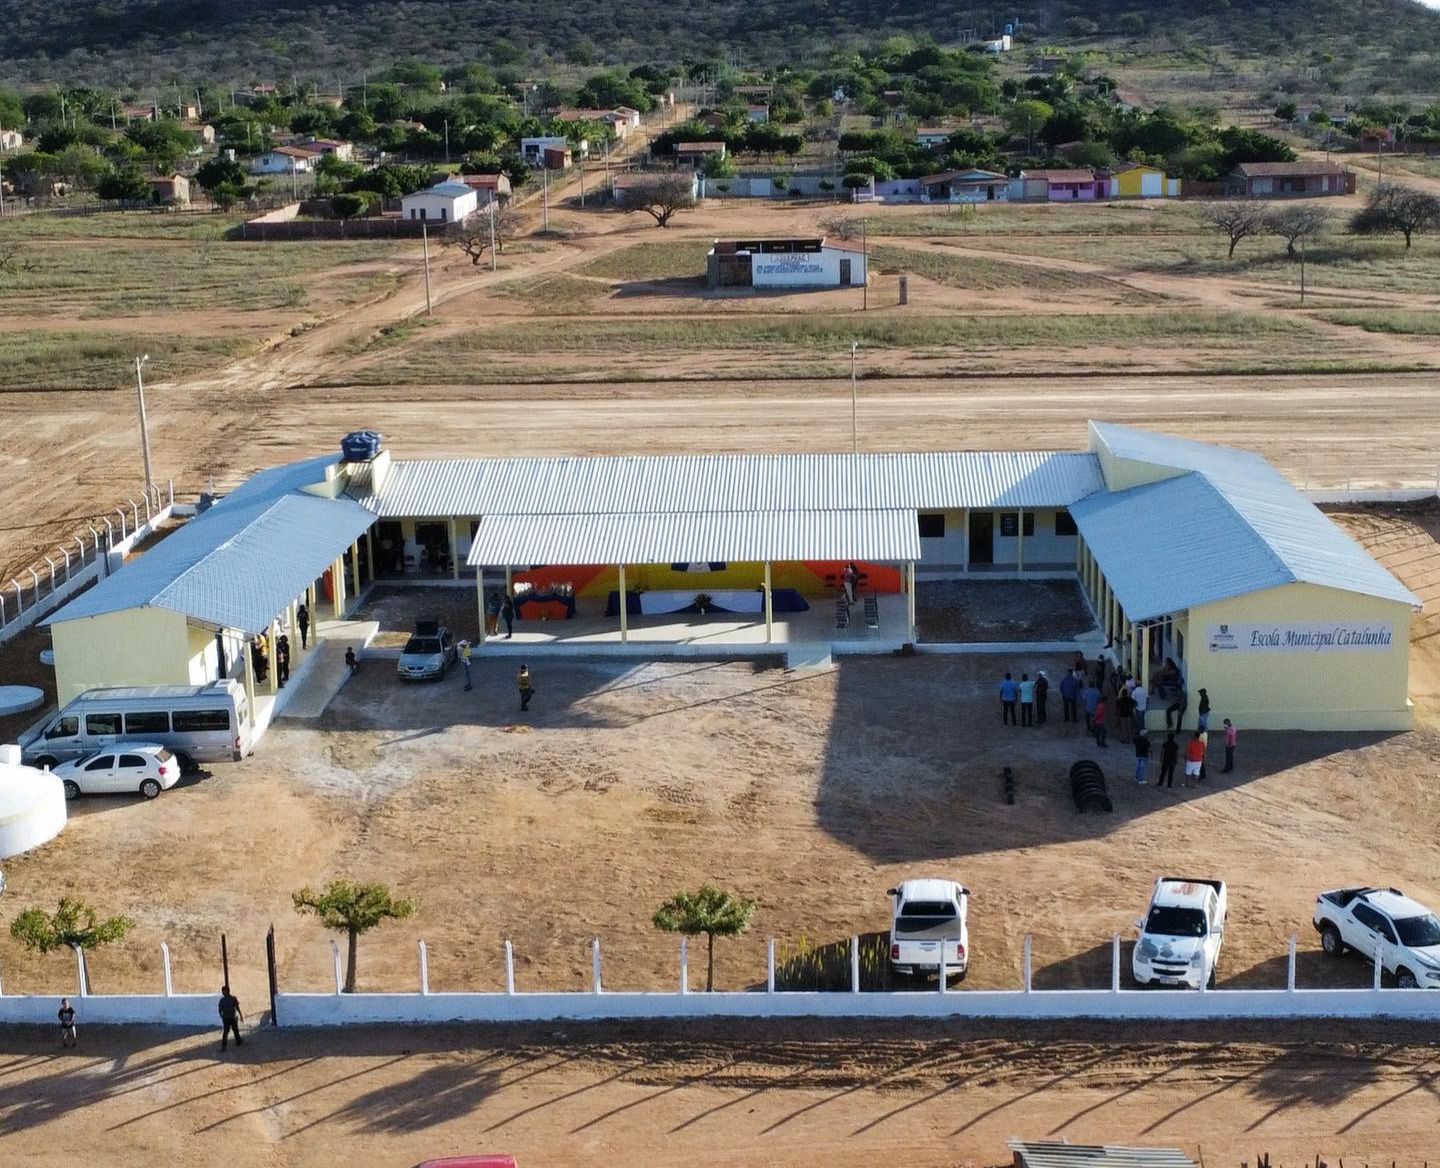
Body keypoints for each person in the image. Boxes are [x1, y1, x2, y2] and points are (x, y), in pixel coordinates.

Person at [218, 985, 243, 1050]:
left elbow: (220, 1010)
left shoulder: (222, 1000)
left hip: (226, 1018)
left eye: (223, 991)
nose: (223, 993)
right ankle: (238, 1041)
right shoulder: (233, 998)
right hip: (232, 1017)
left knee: (226, 1032)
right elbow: (237, 1008)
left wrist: (221, 1016)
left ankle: (224, 1046)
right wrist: (241, 1016)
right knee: (235, 1030)